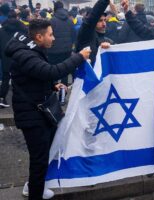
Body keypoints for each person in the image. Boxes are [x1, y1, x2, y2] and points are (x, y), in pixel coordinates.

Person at [5, 19, 91, 200]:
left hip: (39, 113)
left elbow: (36, 79)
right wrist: (79, 57)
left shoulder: (32, 51)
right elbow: (51, 71)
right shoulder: (26, 55)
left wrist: (53, 87)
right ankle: (34, 192)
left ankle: (39, 186)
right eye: (50, 35)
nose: (54, 38)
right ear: (39, 36)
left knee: (44, 156)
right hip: (31, 117)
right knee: (39, 161)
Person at [0, 10, 27, 108]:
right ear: (17, 17)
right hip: (19, 56)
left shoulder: (2, 30)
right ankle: (21, 100)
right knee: (20, 78)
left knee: (5, 79)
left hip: (5, 57)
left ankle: (2, 98)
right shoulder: (22, 29)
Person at [75, 0, 113, 64]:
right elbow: (94, 15)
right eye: (100, 21)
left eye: (105, 20)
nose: (104, 23)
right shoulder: (85, 34)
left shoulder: (108, 40)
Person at [47, 1, 75, 86]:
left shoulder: (52, 21)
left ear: (55, 9)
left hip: (53, 51)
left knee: (53, 71)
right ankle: (63, 93)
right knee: (64, 71)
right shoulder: (70, 21)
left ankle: (54, 90)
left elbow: (48, 35)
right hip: (67, 50)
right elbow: (73, 35)